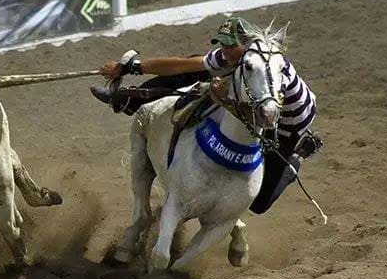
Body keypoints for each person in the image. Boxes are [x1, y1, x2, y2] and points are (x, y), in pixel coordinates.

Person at [89, 17, 322, 214]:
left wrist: (220, 93)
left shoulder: (266, 64)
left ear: (246, 45)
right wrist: (133, 67)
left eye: (230, 46)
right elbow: (181, 66)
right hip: (256, 101)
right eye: (223, 45)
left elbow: (265, 112)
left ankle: (297, 156)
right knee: (196, 68)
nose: (225, 51)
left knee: (259, 204)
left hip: (287, 122)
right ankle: (129, 98)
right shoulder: (233, 56)